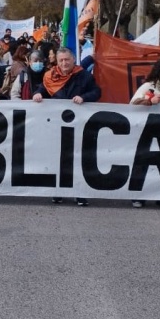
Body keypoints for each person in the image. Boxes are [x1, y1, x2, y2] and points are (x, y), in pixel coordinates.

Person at [33, 47, 101, 207]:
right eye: (61, 60)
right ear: (57, 62)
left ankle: (79, 193)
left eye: (67, 60)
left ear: (73, 60)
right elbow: (42, 89)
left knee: (78, 159)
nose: (64, 63)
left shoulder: (83, 75)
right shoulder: (50, 76)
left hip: (78, 125)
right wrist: (38, 94)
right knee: (58, 159)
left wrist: (84, 97)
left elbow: (97, 92)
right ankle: (58, 191)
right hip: (56, 125)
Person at [129, 58, 160, 209]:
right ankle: (137, 195)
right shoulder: (148, 86)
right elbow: (132, 104)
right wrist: (149, 102)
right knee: (142, 161)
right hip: (147, 129)